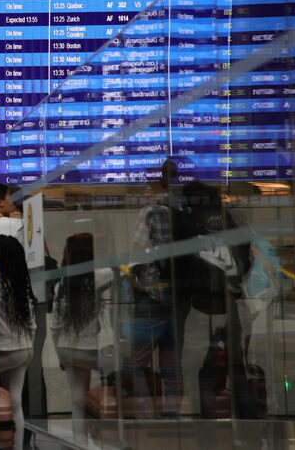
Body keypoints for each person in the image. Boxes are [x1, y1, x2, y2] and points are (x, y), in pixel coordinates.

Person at [123, 158, 189, 418]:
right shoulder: (185, 210)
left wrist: (133, 284)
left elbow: (137, 255)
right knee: (172, 364)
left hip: (152, 295)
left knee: (137, 363)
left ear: (159, 179)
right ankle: (172, 416)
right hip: (180, 297)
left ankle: (147, 416)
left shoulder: (151, 211)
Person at [50, 233, 113, 442]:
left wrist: (60, 356)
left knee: (77, 400)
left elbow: (55, 327)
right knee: (103, 394)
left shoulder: (61, 285)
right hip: (92, 350)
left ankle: (79, 444)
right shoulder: (99, 276)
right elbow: (124, 268)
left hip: (68, 349)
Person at [0, 235, 37, 450]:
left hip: (2, 351)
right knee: (15, 401)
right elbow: (33, 325)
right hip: (24, 349)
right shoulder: (23, 285)